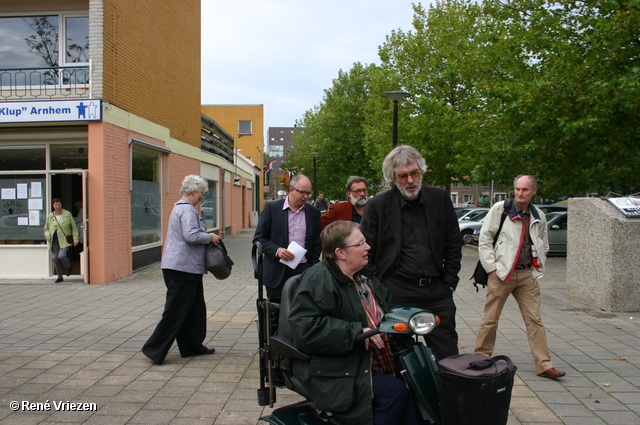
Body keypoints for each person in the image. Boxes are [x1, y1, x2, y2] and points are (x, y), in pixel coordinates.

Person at [289, 221, 420, 425]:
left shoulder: (362, 276)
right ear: (340, 253)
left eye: (365, 242)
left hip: (371, 358)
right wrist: (357, 332)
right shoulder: (318, 279)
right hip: (338, 365)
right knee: (396, 393)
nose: (367, 247)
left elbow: (389, 307)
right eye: (360, 244)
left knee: (423, 381)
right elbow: (304, 328)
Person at [360, 145, 462, 361]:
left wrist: (450, 279)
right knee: (399, 358)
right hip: (397, 292)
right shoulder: (377, 206)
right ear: (393, 179)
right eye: (403, 175)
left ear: (421, 171)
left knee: (448, 357)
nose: (410, 180)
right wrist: (380, 287)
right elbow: (365, 250)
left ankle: (448, 395)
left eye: (414, 173)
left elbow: (454, 242)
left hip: (437, 290)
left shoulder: (440, 198)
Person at [475, 175, 566, 379]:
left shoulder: (538, 215)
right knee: (490, 319)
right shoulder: (500, 209)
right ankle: (482, 358)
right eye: (517, 189)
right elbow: (485, 238)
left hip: (526, 274)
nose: (519, 193)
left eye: (524, 190)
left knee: (535, 320)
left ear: (534, 191)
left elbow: (543, 242)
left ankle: (544, 364)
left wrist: (537, 268)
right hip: (502, 274)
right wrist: (492, 268)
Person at [142, 175, 221, 365]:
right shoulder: (187, 210)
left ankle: (192, 346)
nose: (201, 197)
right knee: (176, 311)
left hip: (179, 267)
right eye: (201, 194)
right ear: (193, 191)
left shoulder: (179, 208)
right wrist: (209, 237)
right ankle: (154, 349)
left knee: (194, 310)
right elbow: (191, 235)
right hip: (183, 268)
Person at [253, 174, 322, 301]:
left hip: (303, 270)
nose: (305, 197)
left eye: (308, 193)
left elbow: (317, 242)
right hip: (277, 270)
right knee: (277, 313)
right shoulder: (272, 209)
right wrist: (277, 251)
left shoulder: (313, 213)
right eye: (302, 192)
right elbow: (259, 238)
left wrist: (311, 265)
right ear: (291, 190)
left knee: (303, 310)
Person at [44, 198, 79, 283]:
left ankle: (68, 267)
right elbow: (46, 228)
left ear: (61, 205)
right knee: (55, 258)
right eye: (56, 205)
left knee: (61, 255)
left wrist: (76, 239)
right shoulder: (51, 216)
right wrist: (47, 235)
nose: (57, 206)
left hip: (65, 240)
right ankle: (60, 277)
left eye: (59, 204)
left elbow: (74, 227)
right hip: (54, 241)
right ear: (53, 206)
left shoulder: (67, 214)